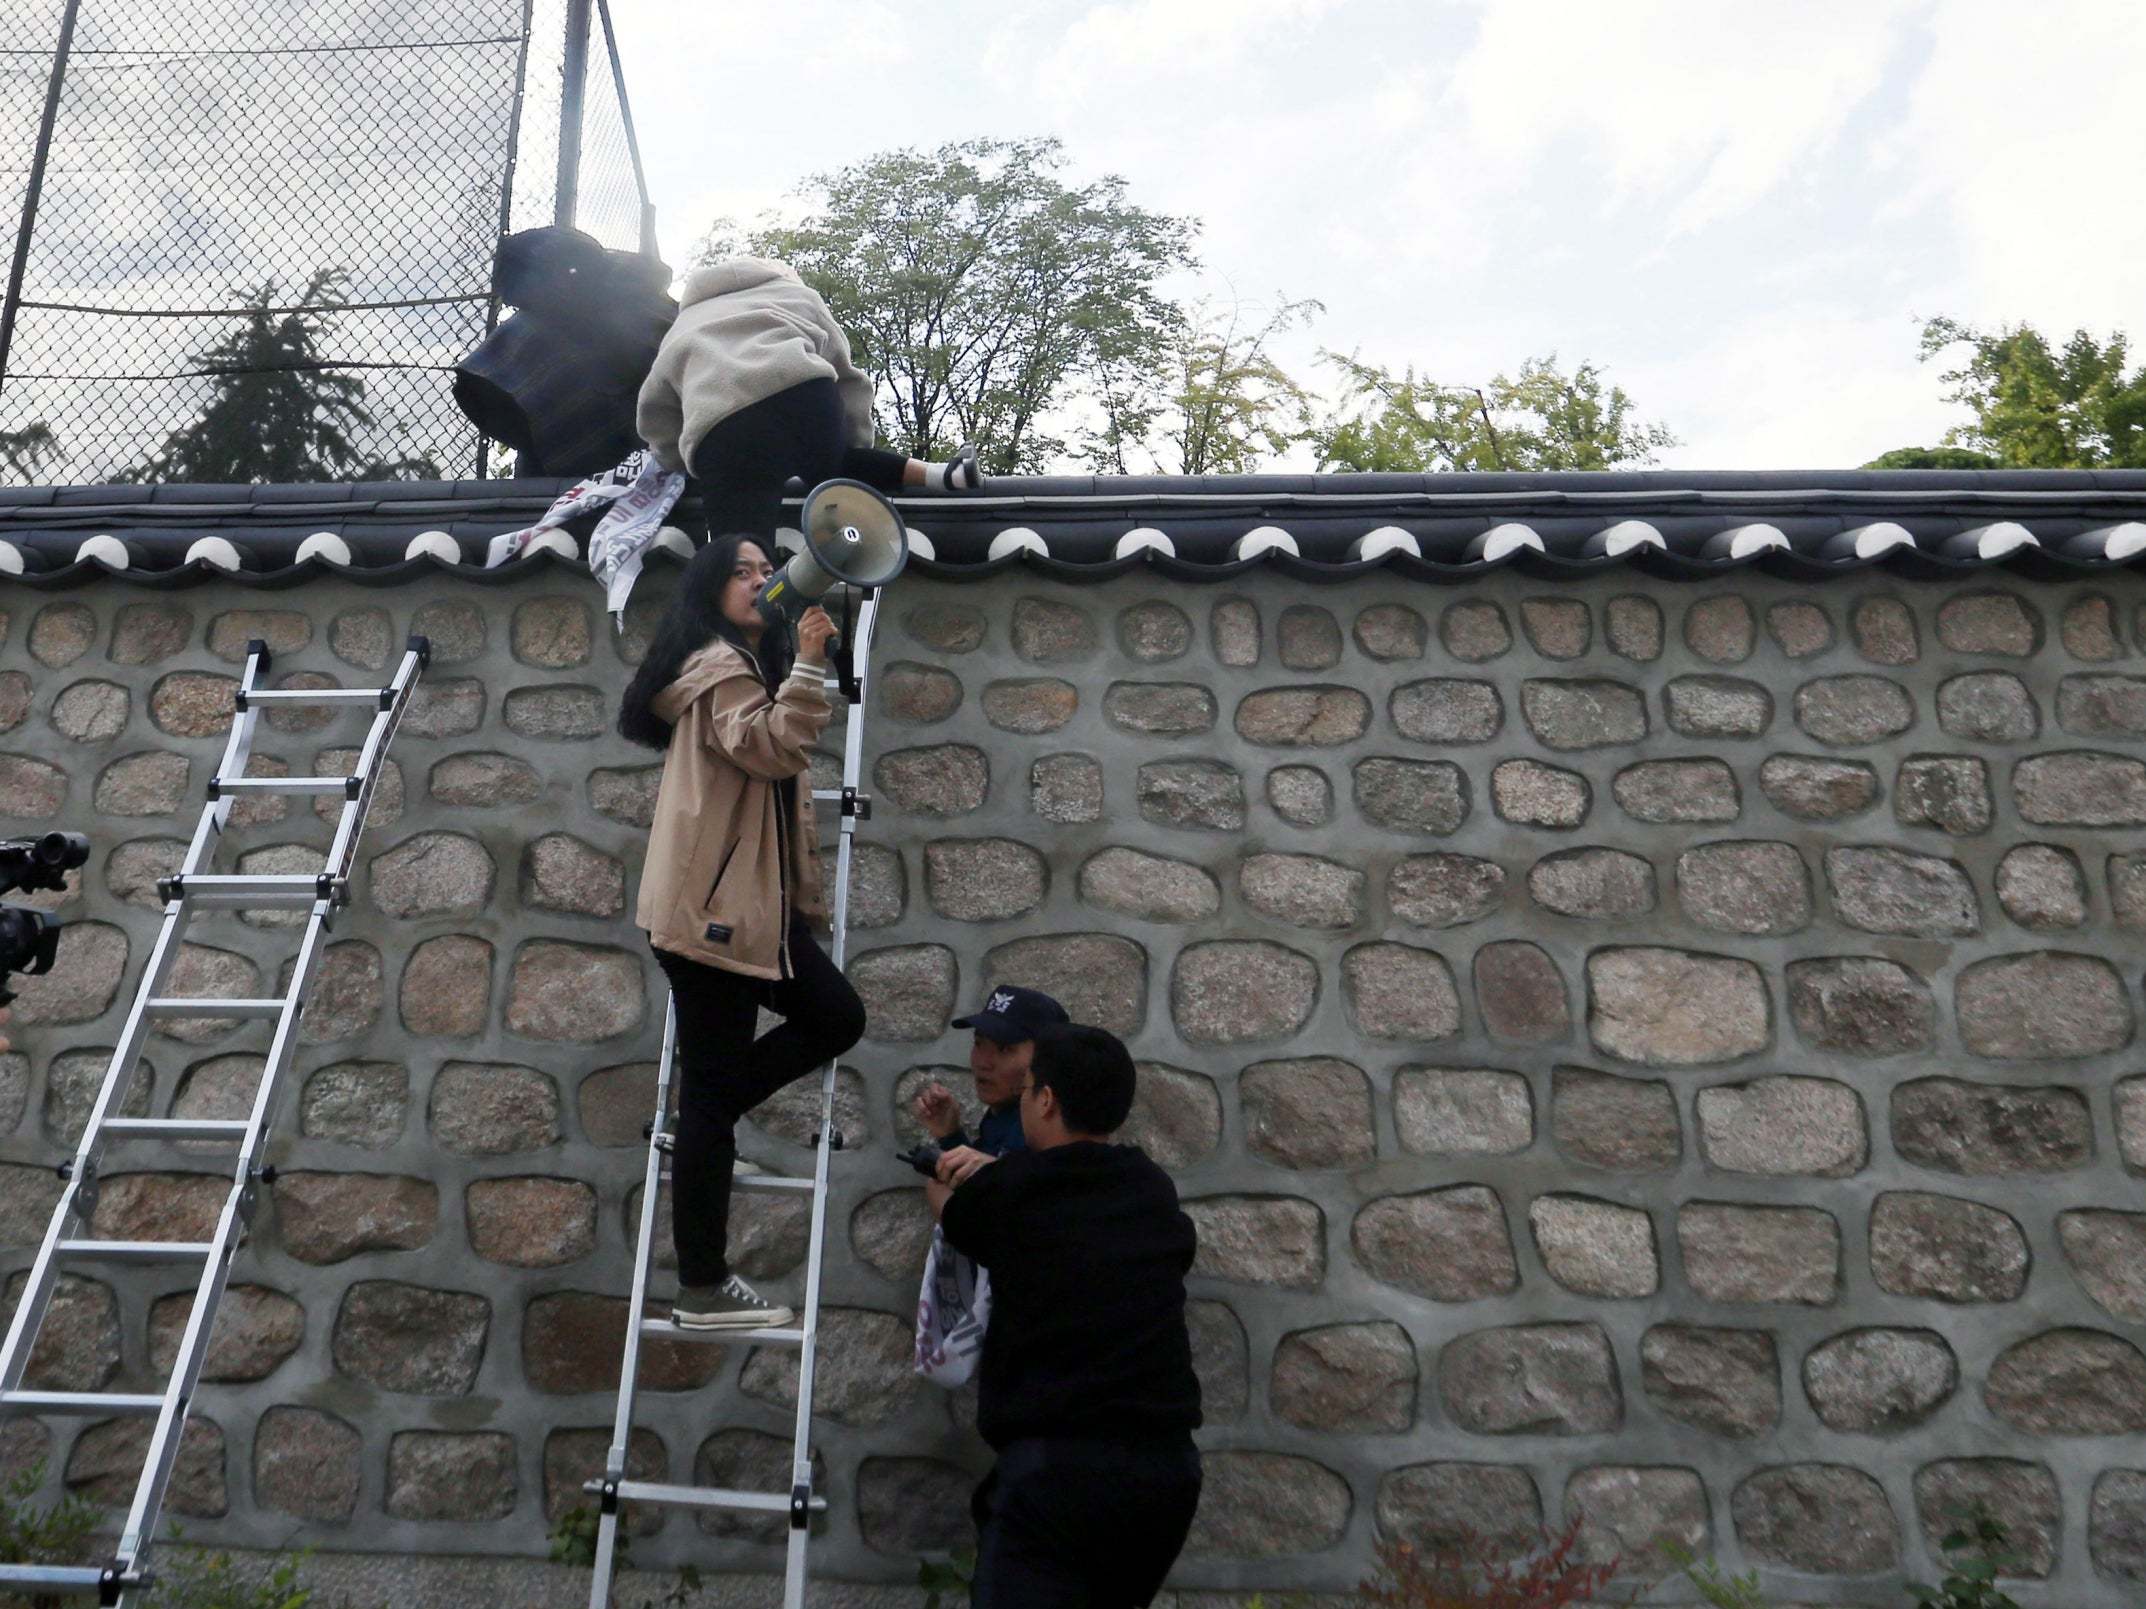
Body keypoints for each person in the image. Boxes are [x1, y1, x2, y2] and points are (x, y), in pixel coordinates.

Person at [618, 533, 867, 1330]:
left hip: (732, 912)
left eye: (768, 570)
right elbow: (773, 745)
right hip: (719, 920)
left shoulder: (732, 667)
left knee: (730, 1088)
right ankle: (701, 1283)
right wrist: (809, 665)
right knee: (830, 1020)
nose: (762, 580)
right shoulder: (721, 672)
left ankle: (707, 1126)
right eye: (743, 572)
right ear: (709, 589)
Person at [927, 1024, 1203, 1608]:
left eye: (1026, 1088)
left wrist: (944, 1170)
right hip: (1165, 1474)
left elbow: (959, 1214)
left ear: (1045, 1099)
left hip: (1060, 1472)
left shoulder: (1016, 1188)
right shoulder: (1150, 1186)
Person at [635, 256, 980, 539]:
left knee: (740, 547)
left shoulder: (684, 324)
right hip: (802, 393)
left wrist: (675, 462)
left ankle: (760, 613)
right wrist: (853, 448)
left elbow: (655, 407)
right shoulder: (797, 295)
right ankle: (946, 476)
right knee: (835, 465)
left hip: (722, 428)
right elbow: (847, 376)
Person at [911, 984, 1070, 1161]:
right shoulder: (1002, 1115)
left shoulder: (1042, 1128)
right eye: (978, 1043)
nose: (983, 1062)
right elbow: (983, 1179)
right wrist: (949, 1135)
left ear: (1045, 1057)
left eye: (1004, 1049)